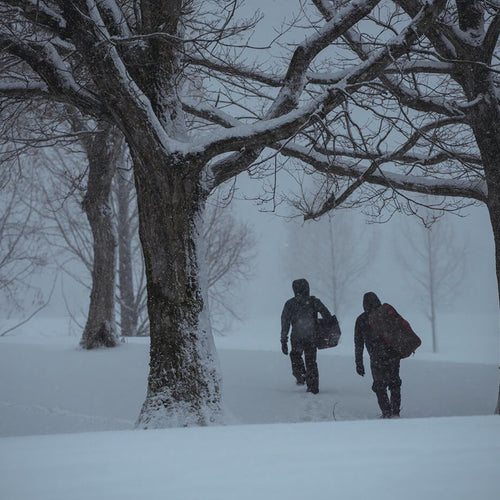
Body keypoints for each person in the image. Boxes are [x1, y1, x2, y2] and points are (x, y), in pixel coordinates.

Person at [354, 291, 402, 418]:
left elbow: (358, 344)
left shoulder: (362, 319)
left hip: (377, 358)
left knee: (379, 385)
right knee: (394, 382)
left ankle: (386, 412)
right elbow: (400, 331)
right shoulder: (387, 314)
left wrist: (359, 363)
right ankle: (395, 412)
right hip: (393, 355)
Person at [280, 278, 332, 394]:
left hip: (296, 337)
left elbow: (285, 323)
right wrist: (320, 324)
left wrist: (283, 340)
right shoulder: (314, 301)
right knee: (311, 361)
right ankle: (313, 387)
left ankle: (301, 376)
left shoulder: (290, 304)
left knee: (295, 356)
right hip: (311, 337)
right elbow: (327, 315)